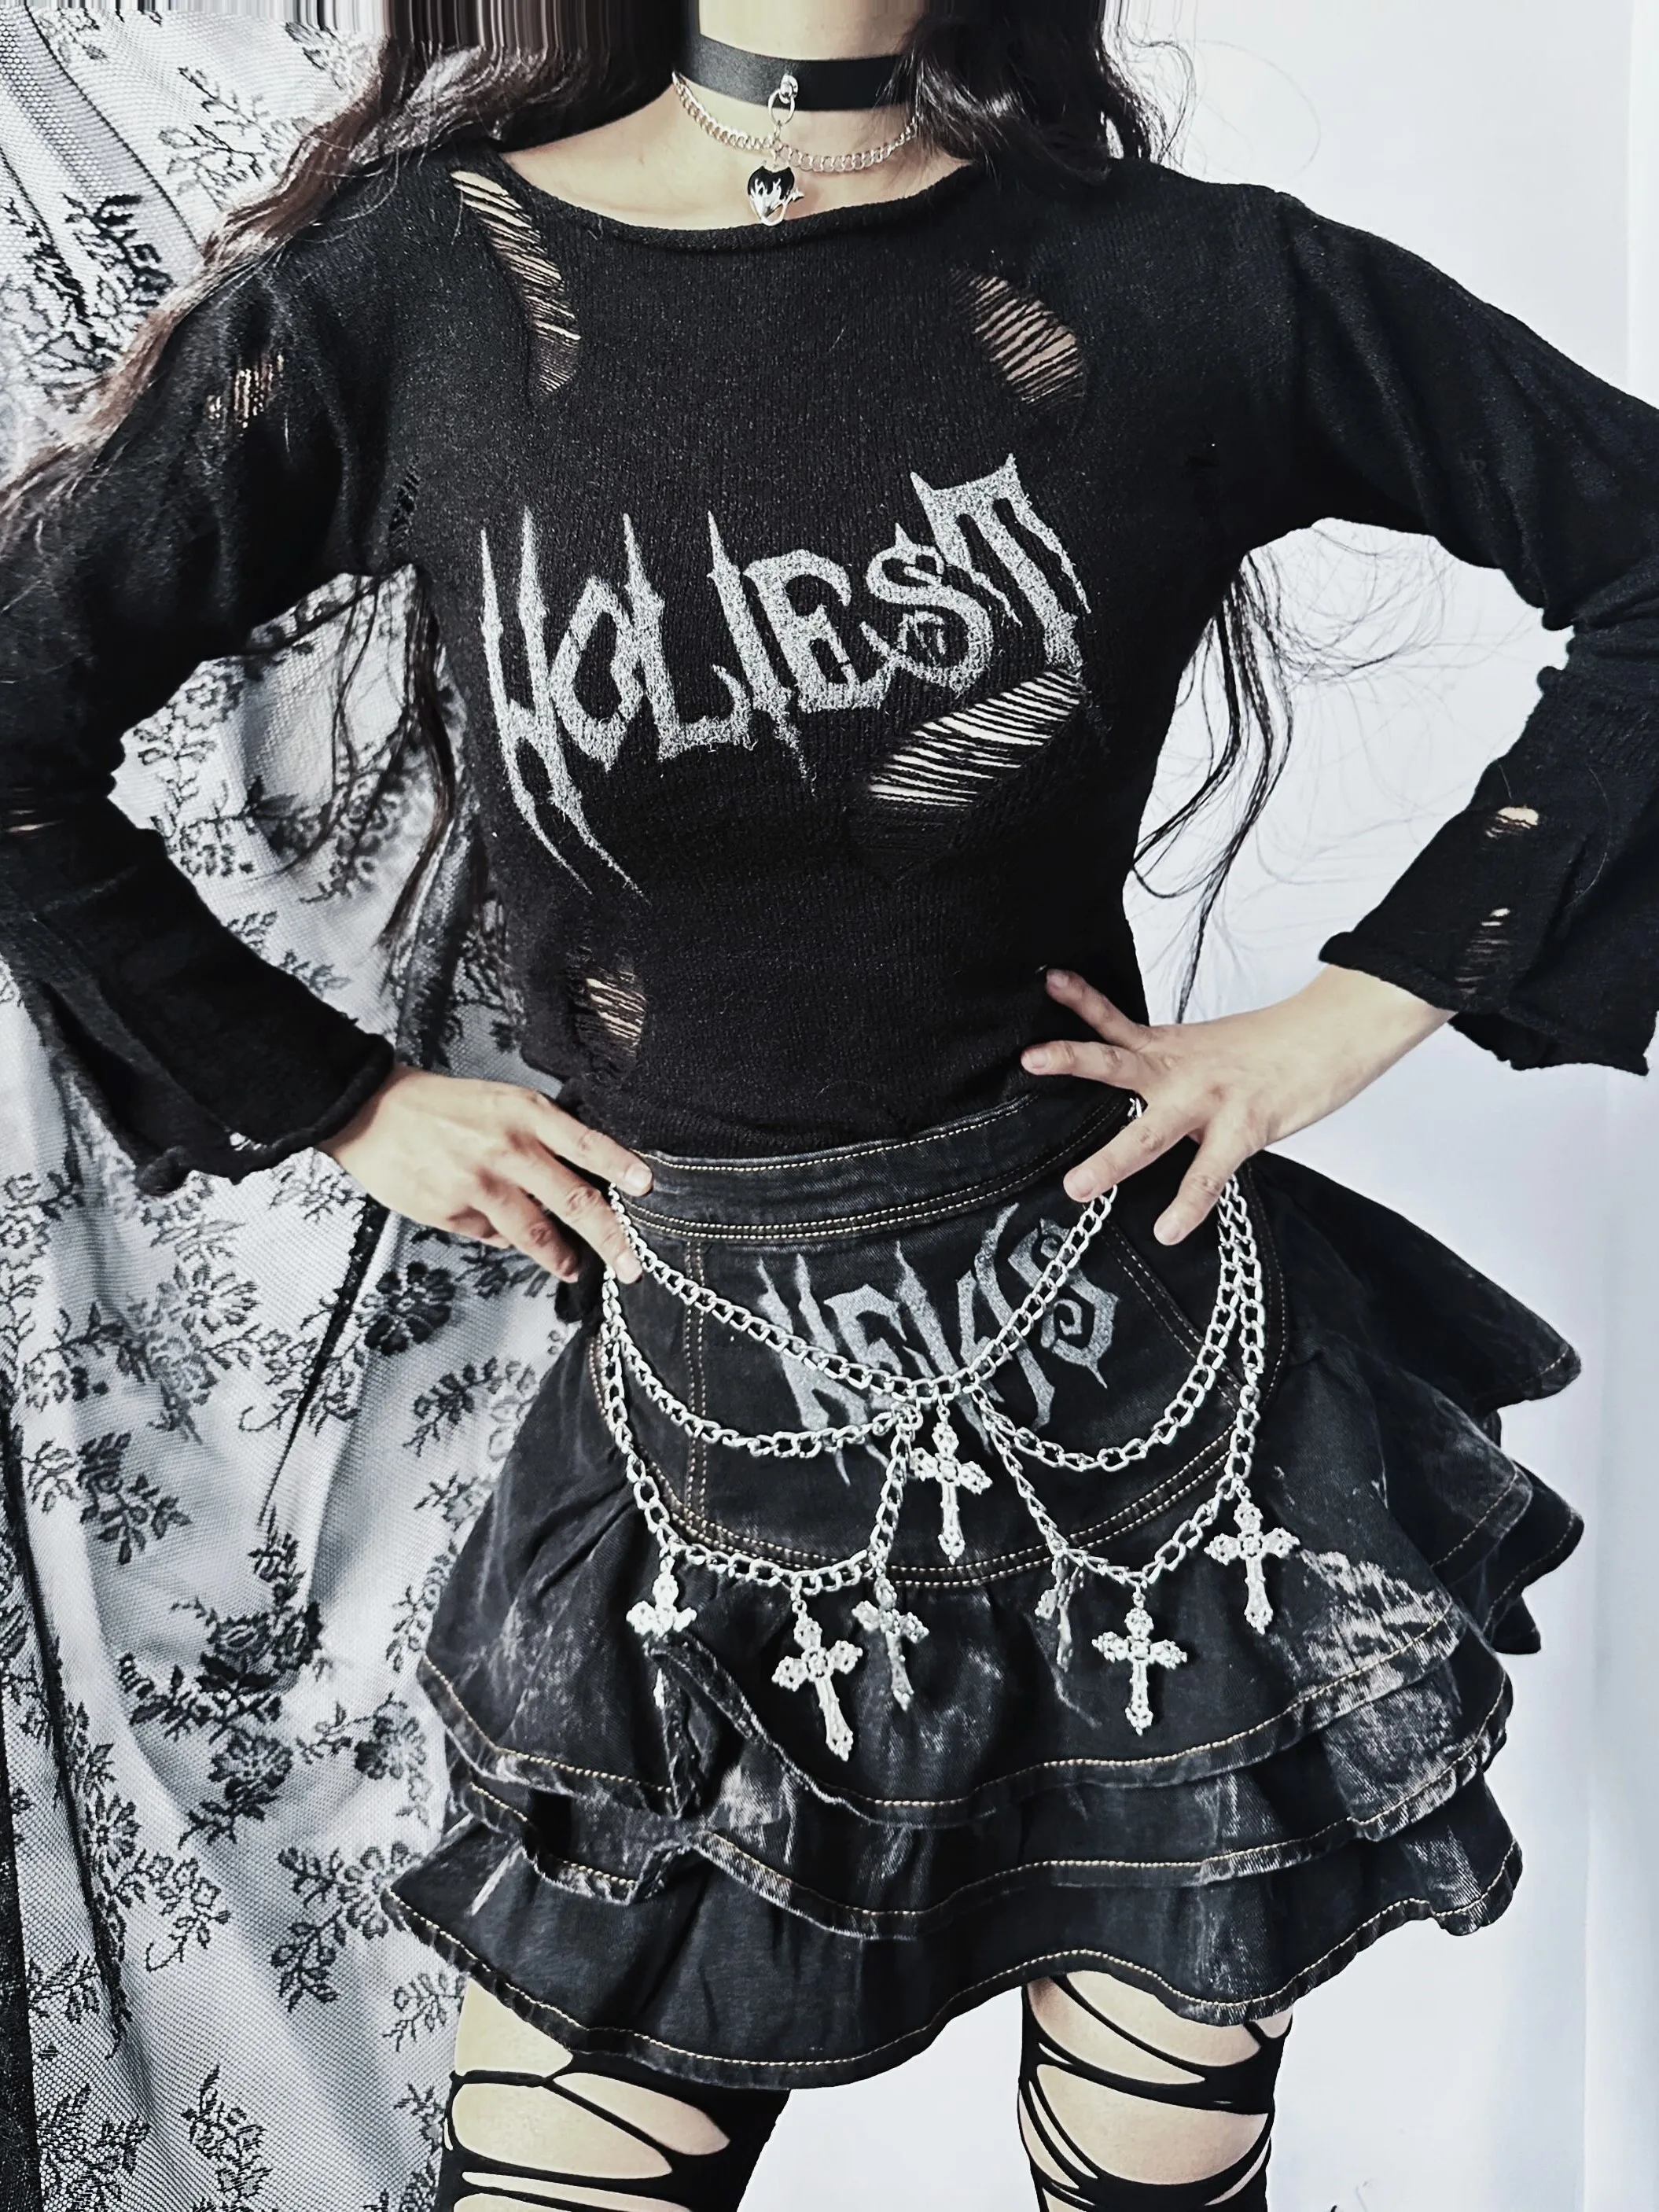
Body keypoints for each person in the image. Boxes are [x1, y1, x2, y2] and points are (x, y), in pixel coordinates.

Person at [2, 0, 1651, 2203]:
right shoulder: (427, 292)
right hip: (700, 1435)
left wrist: (1357, 1005)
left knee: (1152, 2164)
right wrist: (332, 1097)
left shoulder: (1182, 283)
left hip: (1152, 1428)